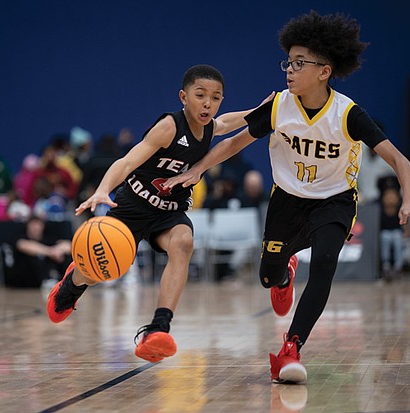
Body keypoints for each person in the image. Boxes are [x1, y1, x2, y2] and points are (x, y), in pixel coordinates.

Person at [164, 11, 410, 383]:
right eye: (288, 61)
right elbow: (235, 142)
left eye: (299, 63)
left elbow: (399, 159)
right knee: (268, 276)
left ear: (324, 71)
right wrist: (197, 169)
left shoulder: (347, 113)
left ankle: (292, 347)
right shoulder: (279, 106)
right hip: (287, 199)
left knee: (323, 265)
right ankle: (283, 272)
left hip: (335, 200)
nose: (289, 69)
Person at [47, 64, 263, 362]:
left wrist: (258, 110)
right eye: (200, 95)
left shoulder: (210, 126)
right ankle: (73, 284)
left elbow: (225, 123)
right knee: (101, 270)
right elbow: (126, 162)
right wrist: (103, 189)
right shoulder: (169, 127)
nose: (208, 103)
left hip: (168, 213)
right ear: (183, 97)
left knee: (184, 243)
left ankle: (158, 330)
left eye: (215, 98)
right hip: (133, 206)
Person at [7, 216, 71, 288]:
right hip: (24, 278)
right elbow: (24, 246)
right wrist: (51, 252)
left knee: (65, 256)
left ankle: (63, 281)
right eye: (33, 224)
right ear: (27, 226)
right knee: (32, 256)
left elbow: (68, 245)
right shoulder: (21, 237)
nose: (36, 227)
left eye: (38, 224)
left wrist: (58, 250)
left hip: (45, 276)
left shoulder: (48, 238)